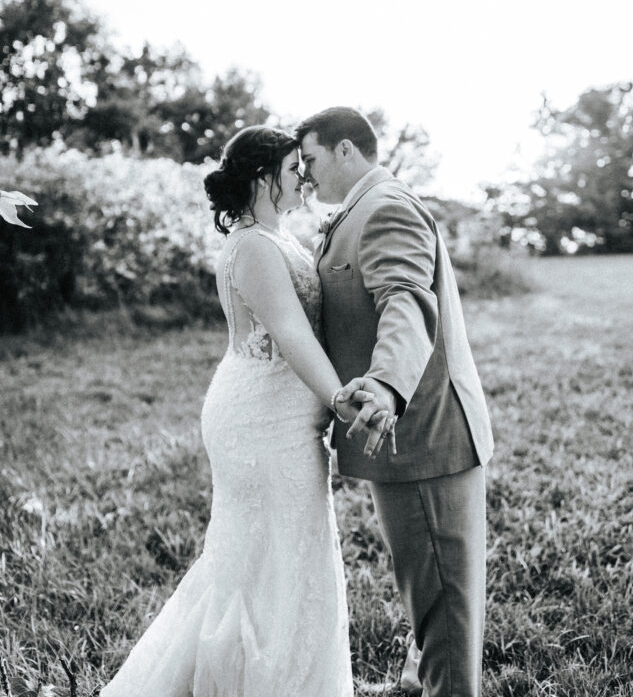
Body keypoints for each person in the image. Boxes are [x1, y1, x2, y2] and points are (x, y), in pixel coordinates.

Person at [100, 125, 393, 697]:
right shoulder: (253, 245)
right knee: (268, 562)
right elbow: (289, 333)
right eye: (292, 170)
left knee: (286, 557)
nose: (303, 178)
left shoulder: (276, 236)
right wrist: (338, 397)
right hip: (259, 421)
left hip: (283, 417)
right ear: (262, 178)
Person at [296, 107, 495, 697]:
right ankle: (423, 683)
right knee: (428, 591)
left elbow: (406, 302)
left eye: (309, 160)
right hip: (403, 439)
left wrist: (385, 385)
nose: (304, 177)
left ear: (346, 151)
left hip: (420, 435)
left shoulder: (383, 208)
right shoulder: (358, 211)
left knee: (444, 606)